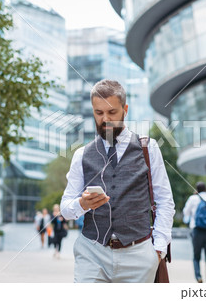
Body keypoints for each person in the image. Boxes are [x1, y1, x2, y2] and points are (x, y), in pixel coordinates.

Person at [61, 79, 175, 283]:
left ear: (125, 109)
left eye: (112, 112)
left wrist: (158, 249)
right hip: (92, 254)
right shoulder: (81, 155)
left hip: (138, 256)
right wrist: (81, 204)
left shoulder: (149, 148)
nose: (105, 119)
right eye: (99, 113)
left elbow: (165, 200)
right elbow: (65, 208)